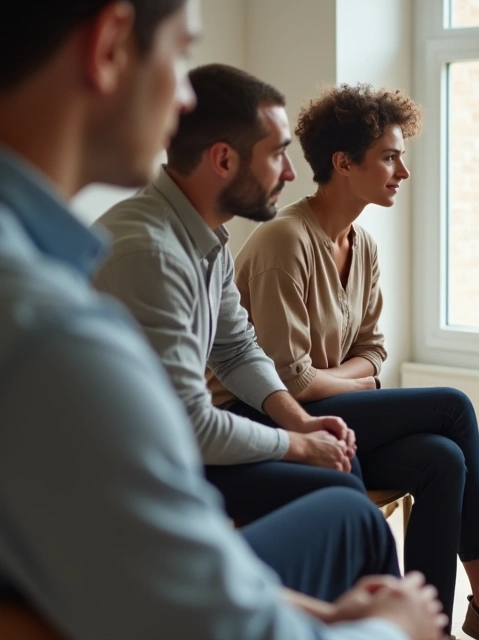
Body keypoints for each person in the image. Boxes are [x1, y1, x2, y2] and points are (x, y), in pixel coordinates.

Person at [0, 1, 444, 639]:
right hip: (190, 474)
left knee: (402, 474)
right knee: (362, 509)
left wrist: (300, 422)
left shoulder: (197, 243)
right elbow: (194, 606)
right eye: (181, 53)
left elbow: (237, 347)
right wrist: (391, 627)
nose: (183, 100)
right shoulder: (72, 315)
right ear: (109, 46)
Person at [227, 82, 479, 640]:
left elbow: (373, 352)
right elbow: (290, 381)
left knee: (442, 459)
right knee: (453, 406)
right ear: (343, 162)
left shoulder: (361, 244)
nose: (402, 172)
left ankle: (428, 626)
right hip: (266, 418)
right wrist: (356, 384)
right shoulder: (284, 241)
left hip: (329, 408)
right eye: (389, 158)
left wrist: (342, 381)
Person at [91, 63, 367, 525]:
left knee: (343, 473)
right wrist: (299, 444)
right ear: (223, 160)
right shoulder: (152, 254)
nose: (291, 173)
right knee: (341, 497)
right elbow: (190, 426)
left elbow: (236, 348)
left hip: (171, 450)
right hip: (131, 478)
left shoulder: (205, 235)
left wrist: (300, 421)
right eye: (277, 154)